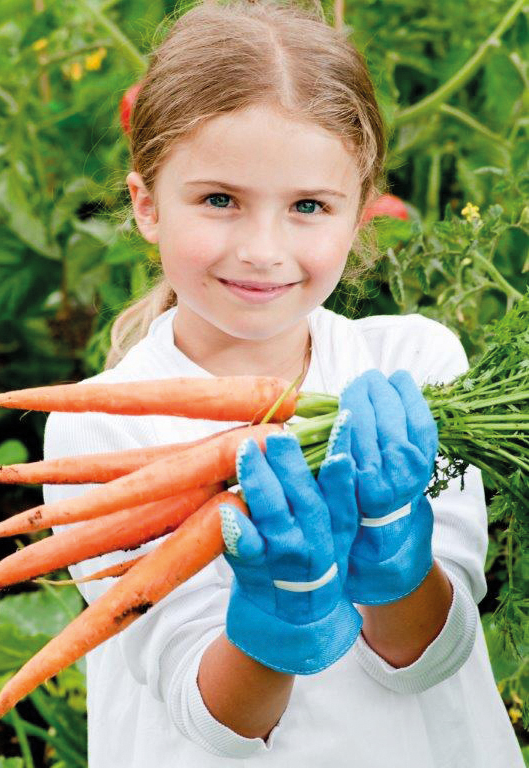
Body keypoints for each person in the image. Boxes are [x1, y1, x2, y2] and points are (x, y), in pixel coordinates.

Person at [43, 1, 524, 765]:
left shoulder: (414, 370)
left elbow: (432, 661)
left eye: (308, 207)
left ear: (360, 214)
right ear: (146, 206)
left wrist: (397, 556)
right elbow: (214, 725)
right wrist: (279, 616)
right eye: (220, 200)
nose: (263, 250)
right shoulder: (99, 427)